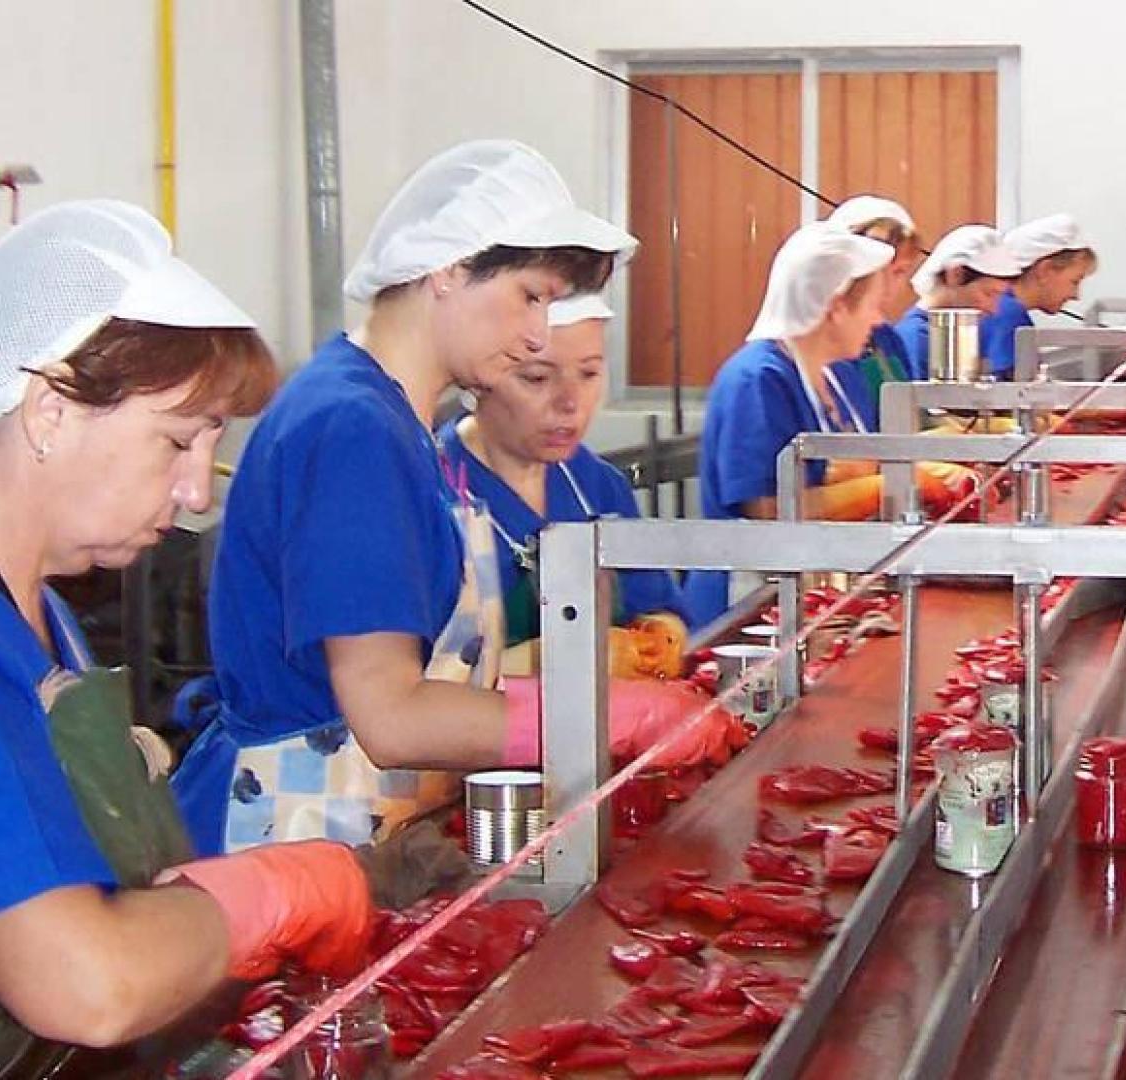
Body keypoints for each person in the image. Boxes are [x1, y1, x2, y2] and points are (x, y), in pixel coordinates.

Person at [175, 140, 736, 858]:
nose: (537, 337)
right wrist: (614, 716)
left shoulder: (403, 424)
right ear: (449, 267)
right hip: (295, 831)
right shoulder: (351, 426)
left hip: (369, 822)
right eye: (529, 296)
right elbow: (393, 717)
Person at [0, 201, 372, 1069]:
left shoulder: (47, 619)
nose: (198, 491)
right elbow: (84, 984)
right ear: (50, 409)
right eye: (178, 441)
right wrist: (276, 893)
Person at [685, 223, 975, 625]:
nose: (877, 321)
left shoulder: (836, 375)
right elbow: (768, 509)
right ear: (836, 307)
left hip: (813, 589)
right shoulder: (758, 379)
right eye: (871, 305)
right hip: (751, 604)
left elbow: (862, 459)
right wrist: (888, 486)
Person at [437, 291, 691, 661]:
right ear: (477, 381)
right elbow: (408, 687)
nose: (571, 402)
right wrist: (547, 661)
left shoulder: (597, 487)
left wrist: (659, 639)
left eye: (588, 373)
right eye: (537, 378)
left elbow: (659, 605)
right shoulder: (434, 497)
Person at [824, 195, 921, 422]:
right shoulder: (821, 355)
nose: (886, 284)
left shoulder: (886, 338)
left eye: (899, 272)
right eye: (881, 270)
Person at [977, 213, 1098, 378]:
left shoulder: (1003, 306)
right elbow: (1011, 394)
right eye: (1074, 281)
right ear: (1045, 271)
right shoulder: (1008, 313)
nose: (1075, 295)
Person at [895, 224, 1022, 379]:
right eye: (988, 294)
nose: (993, 309)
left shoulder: (957, 336)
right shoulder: (917, 338)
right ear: (955, 275)